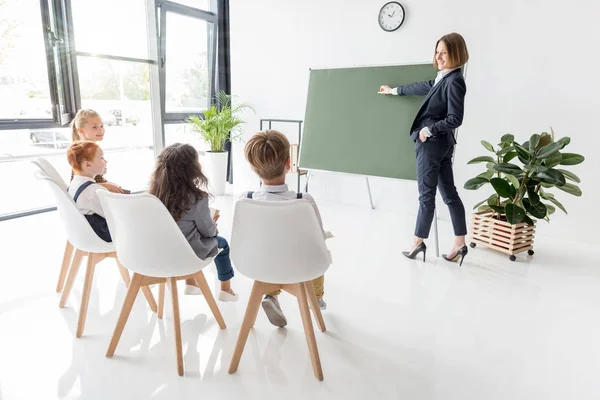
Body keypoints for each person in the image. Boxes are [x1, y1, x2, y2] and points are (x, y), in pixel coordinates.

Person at [379, 32, 470, 265]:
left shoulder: (454, 81)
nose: (438, 57)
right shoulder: (443, 78)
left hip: (431, 145)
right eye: (437, 52)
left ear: (456, 54)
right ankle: (459, 244)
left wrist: (427, 131)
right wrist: (394, 90)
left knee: (426, 196)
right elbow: (423, 86)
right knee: (449, 195)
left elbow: (455, 118)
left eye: (444, 53)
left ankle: (418, 243)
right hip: (442, 146)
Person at [243, 130, 328, 327]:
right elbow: (318, 238)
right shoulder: (303, 201)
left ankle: (271, 296)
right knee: (317, 251)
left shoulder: (245, 200)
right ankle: (316, 297)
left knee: (270, 249)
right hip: (299, 266)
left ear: (253, 168)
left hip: (260, 265)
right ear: (289, 164)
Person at [148, 143, 238, 302]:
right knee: (221, 243)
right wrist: (212, 222)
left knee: (185, 233)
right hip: (185, 256)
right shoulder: (197, 199)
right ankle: (226, 289)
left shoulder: (153, 195)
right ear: (192, 169)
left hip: (158, 252)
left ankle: (191, 283)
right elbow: (209, 232)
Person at [66, 141, 111, 242]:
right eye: (101, 158)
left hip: (82, 235)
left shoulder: (74, 183)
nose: (106, 161)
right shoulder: (94, 191)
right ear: (88, 165)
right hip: (101, 236)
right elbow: (112, 215)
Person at [70, 109, 124, 193]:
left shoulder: (92, 149)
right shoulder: (81, 152)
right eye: (95, 127)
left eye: (101, 126)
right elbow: (80, 185)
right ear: (81, 130)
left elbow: (97, 178)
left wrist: (110, 185)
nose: (101, 130)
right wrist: (106, 186)